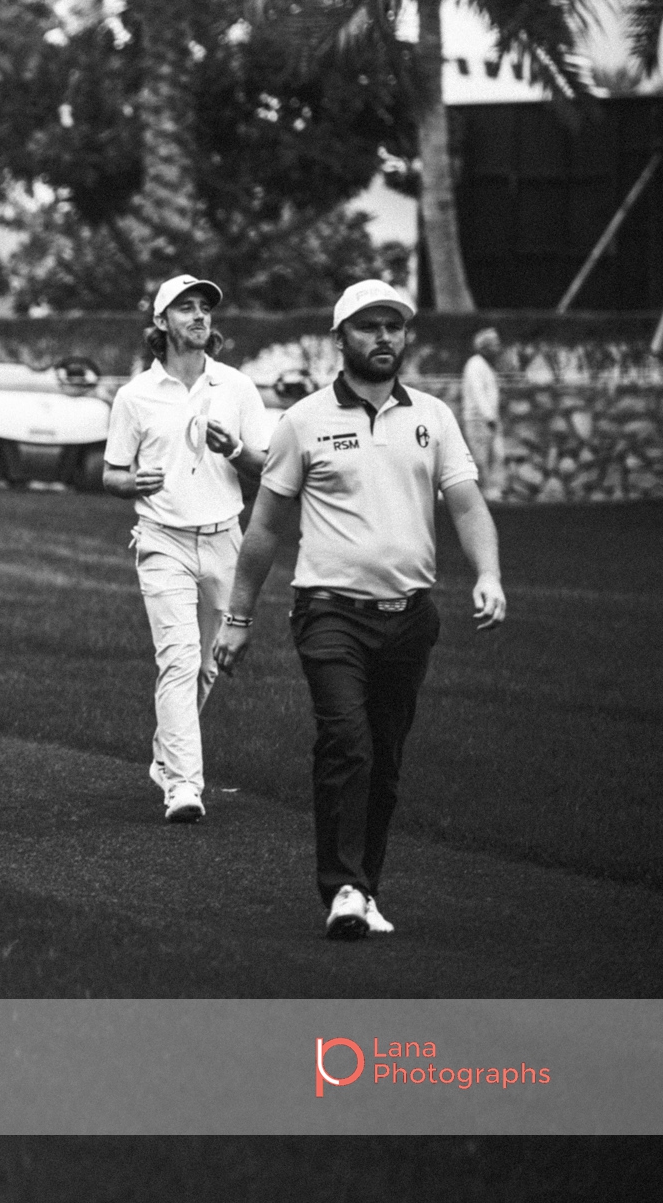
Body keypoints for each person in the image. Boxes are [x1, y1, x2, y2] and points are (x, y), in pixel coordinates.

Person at [211, 279, 506, 941]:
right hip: (328, 613)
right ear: (340, 338)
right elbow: (263, 529)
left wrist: (488, 573)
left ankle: (365, 885)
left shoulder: (434, 415)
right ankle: (342, 886)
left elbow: (466, 504)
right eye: (369, 326)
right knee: (347, 740)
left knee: (387, 757)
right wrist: (237, 617)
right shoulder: (304, 420)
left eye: (393, 326)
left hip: (410, 617)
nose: (384, 338)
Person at [102, 274, 271, 823]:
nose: (199, 317)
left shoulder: (237, 389)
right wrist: (135, 483)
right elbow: (111, 474)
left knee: (207, 667)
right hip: (161, 540)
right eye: (185, 309)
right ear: (161, 323)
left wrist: (237, 449)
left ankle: (164, 756)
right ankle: (183, 786)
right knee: (177, 660)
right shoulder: (135, 396)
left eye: (205, 308)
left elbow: (266, 469)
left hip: (225, 539)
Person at [461, 326, 503, 501]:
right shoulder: (475, 364)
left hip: (488, 419)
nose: (498, 347)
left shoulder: (485, 366)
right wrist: (489, 417)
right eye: (494, 344)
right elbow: (478, 394)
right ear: (485, 346)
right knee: (481, 458)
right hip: (478, 420)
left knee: (494, 456)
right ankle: (484, 494)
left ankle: (490, 491)